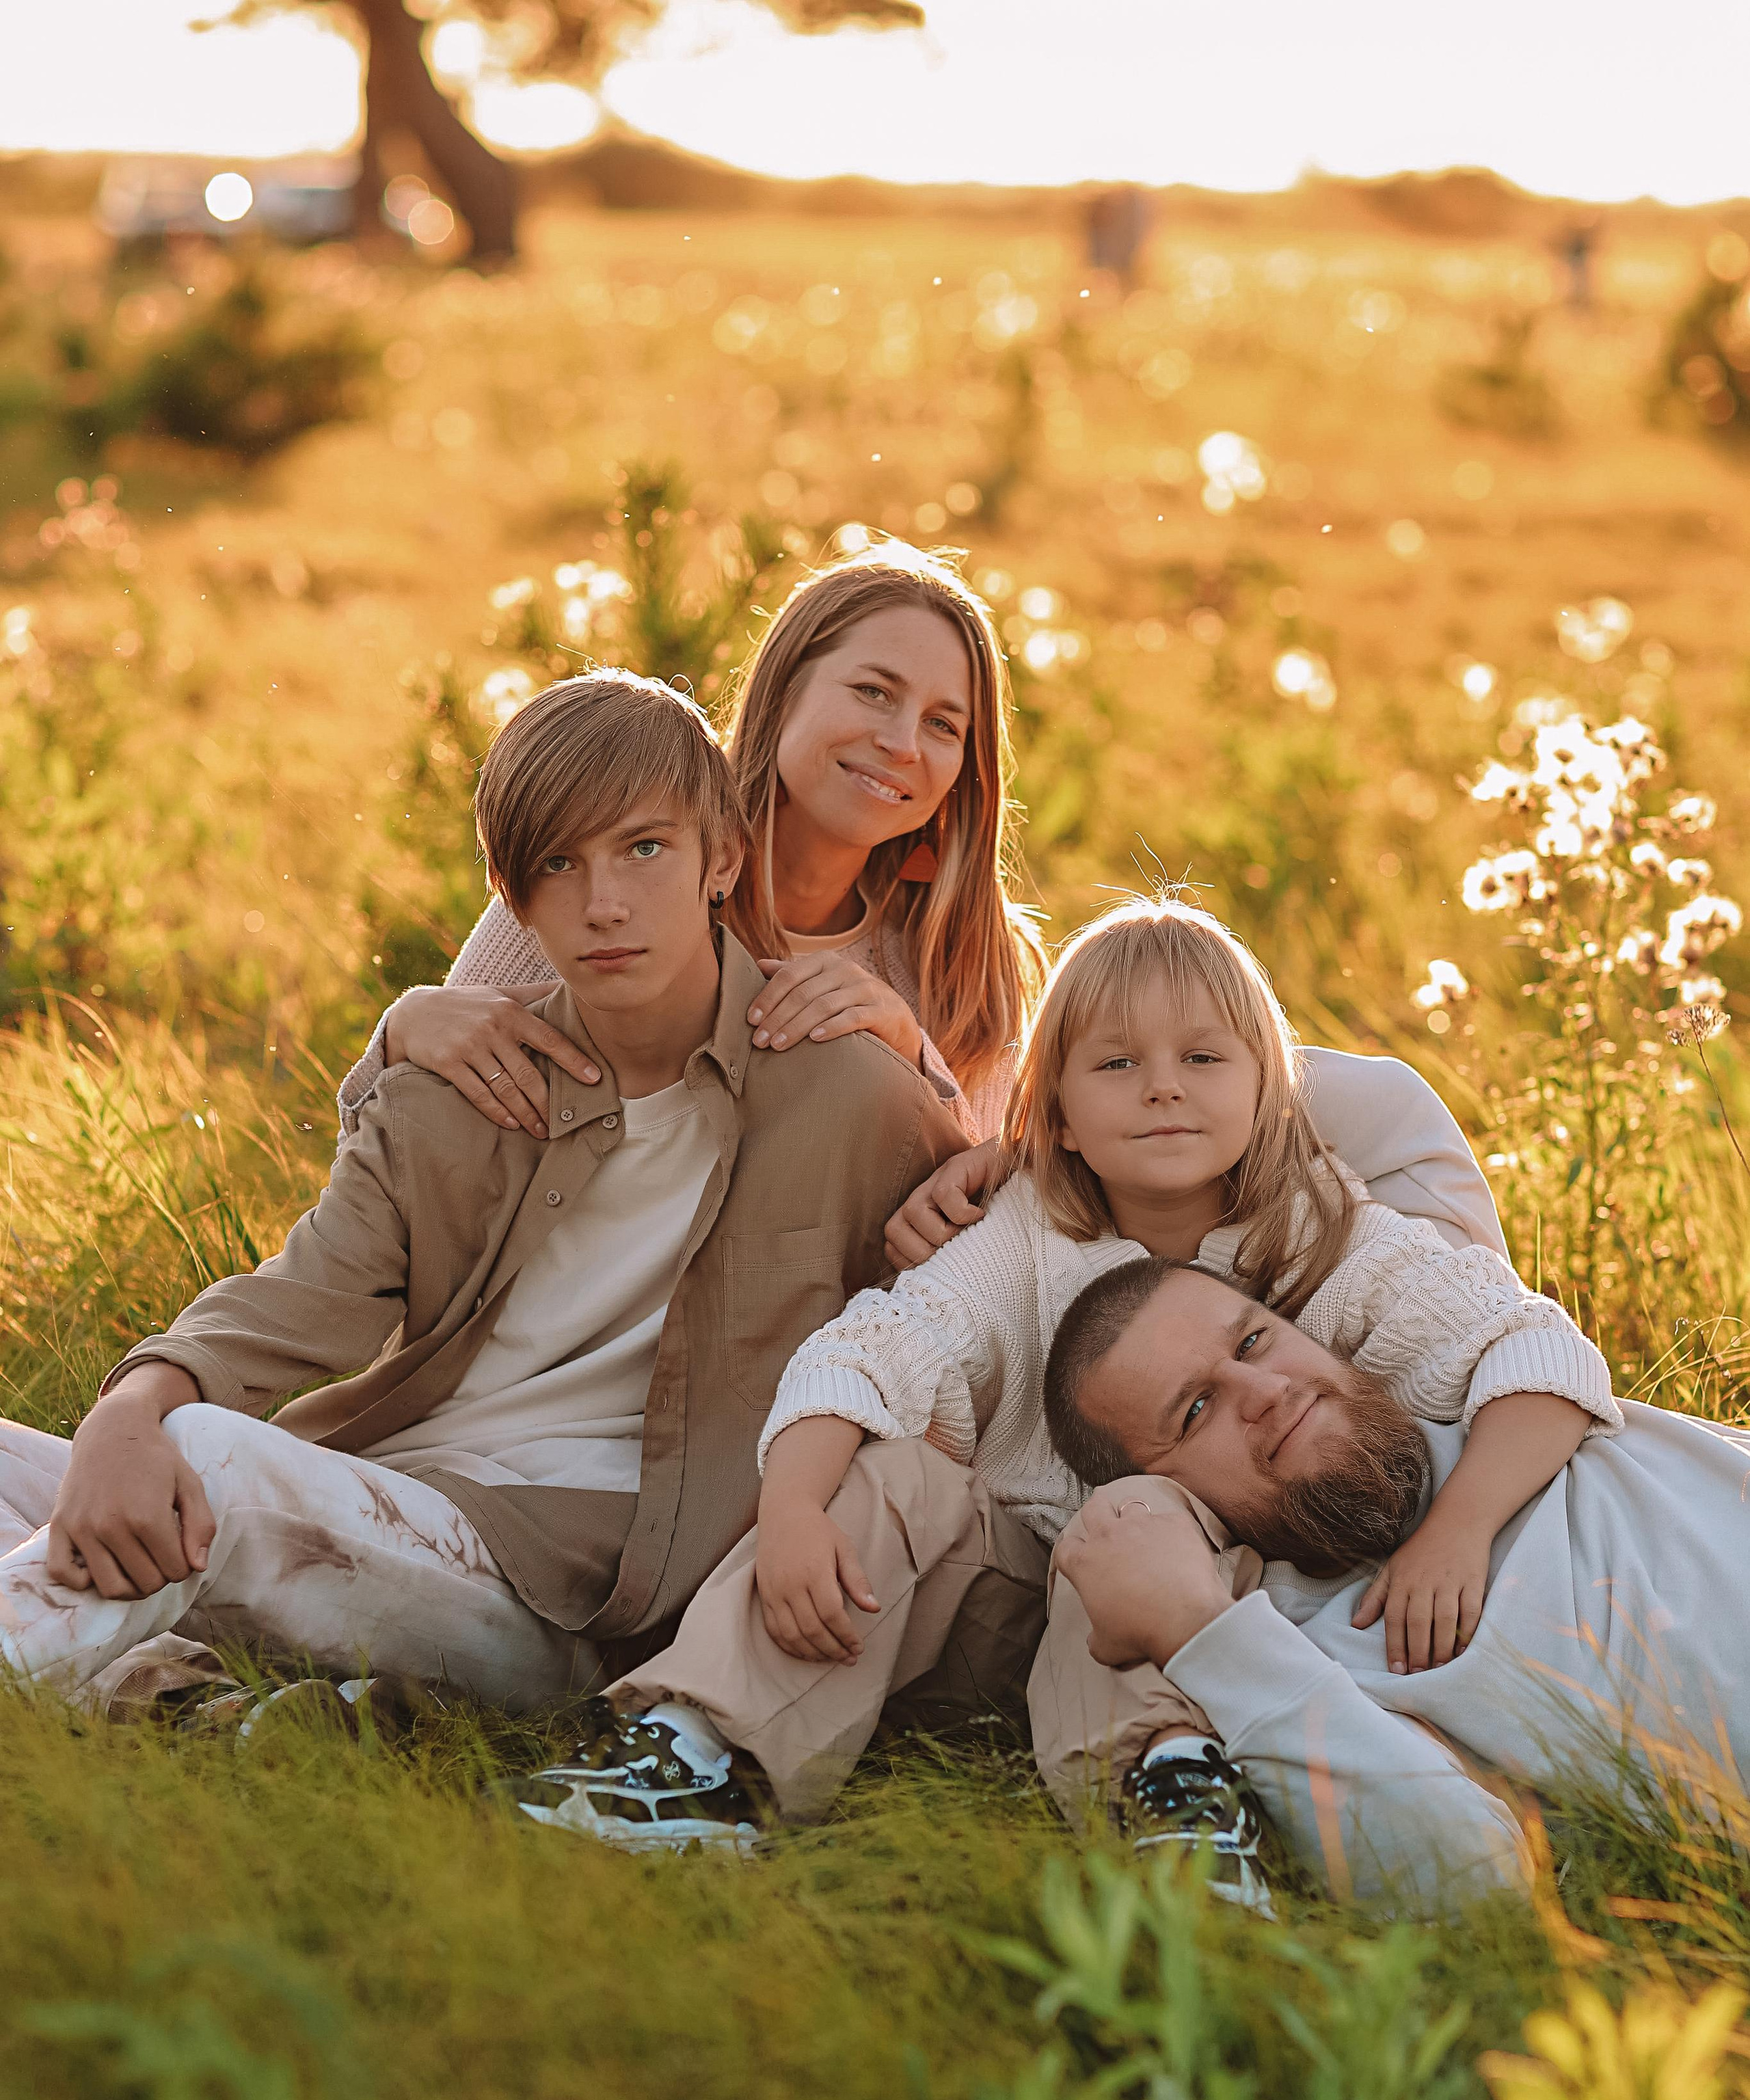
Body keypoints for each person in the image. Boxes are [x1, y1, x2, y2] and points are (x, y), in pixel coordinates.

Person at [524, 896, 1612, 1853]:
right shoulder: (1027, 1230)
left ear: (1268, 1083)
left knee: (1141, 1520)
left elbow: (1538, 1352)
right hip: (1003, 1613)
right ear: (1058, 1112)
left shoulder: (1325, 1232)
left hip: (1215, 1618)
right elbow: (881, 1349)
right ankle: (691, 1752)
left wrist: (1455, 1531)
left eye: (1202, 1059)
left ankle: (1175, 1799)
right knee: (894, 1475)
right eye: (1117, 1064)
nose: (1163, 1093)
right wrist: (798, 1502)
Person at [0, 671, 964, 1740]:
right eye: (561, 863)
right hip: (377, 1502)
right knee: (68, 1455)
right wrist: (128, 1412)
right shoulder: (463, 1081)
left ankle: (143, 1677)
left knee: (211, 1461)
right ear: (513, 893)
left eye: (645, 849)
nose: (604, 904)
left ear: (722, 859)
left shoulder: (853, 1094)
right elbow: (300, 1295)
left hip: (577, 1589)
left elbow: (1002, 1278)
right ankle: (210, 1705)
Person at [1040, 1250, 1750, 1915]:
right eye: (1195, 1411)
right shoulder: (1305, 1663)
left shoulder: (1511, 1402)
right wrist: (1202, 1633)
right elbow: (1474, 1880)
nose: (1264, 1392)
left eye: (1253, 1343)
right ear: (1162, 1488)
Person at [337, 541, 1047, 1145]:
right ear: (786, 686)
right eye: (872, 692)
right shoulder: (613, 862)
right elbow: (395, 1141)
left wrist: (909, 1054)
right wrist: (407, 1028)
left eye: (943, 725)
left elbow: (988, 1221)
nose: (900, 744)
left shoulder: (971, 957)